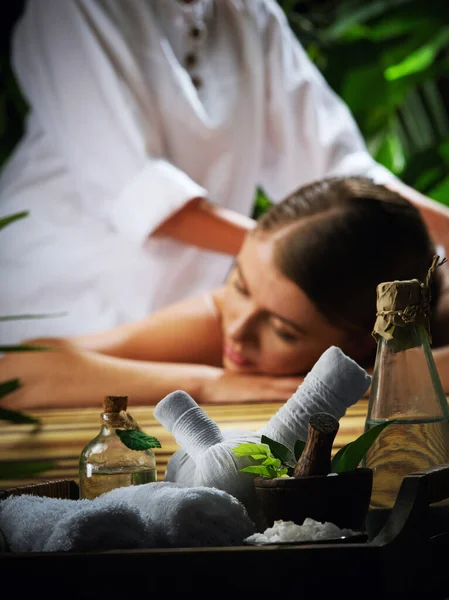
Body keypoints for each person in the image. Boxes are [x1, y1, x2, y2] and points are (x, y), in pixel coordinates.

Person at [1, 0, 449, 345]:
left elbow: (341, 170)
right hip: (52, 293)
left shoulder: (248, 11)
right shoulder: (75, 8)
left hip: (197, 303)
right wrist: (305, 266)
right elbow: (145, 197)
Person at [1, 175, 448, 411]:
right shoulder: (223, 321)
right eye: (239, 284)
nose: (237, 331)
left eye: (283, 331)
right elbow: (15, 374)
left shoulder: (413, 344)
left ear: (365, 341)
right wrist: (209, 385)